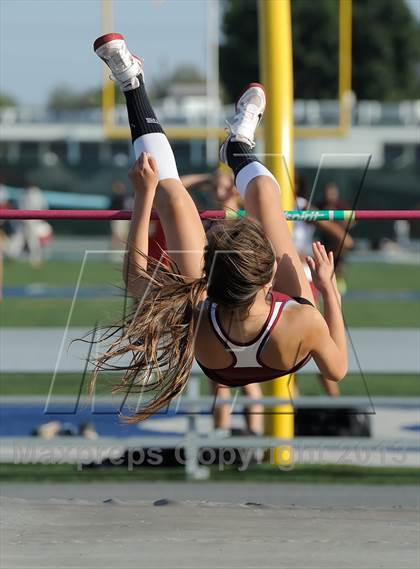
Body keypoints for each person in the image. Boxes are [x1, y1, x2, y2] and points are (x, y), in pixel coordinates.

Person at [91, 34, 348, 423]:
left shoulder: (196, 309)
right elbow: (337, 370)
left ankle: (133, 84)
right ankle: (238, 146)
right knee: (262, 189)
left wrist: (144, 197)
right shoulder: (303, 319)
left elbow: (135, 277)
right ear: (269, 282)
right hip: (279, 341)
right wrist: (328, 290)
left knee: (173, 198)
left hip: (223, 344)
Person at [183, 168, 263, 435]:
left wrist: (228, 194)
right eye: (215, 183)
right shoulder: (206, 218)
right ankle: (222, 433)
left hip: (238, 303)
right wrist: (205, 177)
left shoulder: (242, 220)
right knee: (219, 378)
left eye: (225, 181)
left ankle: (252, 435)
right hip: (215, 300)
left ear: (236, 189)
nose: (219, 185)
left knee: (248, 376)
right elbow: (175, 187)